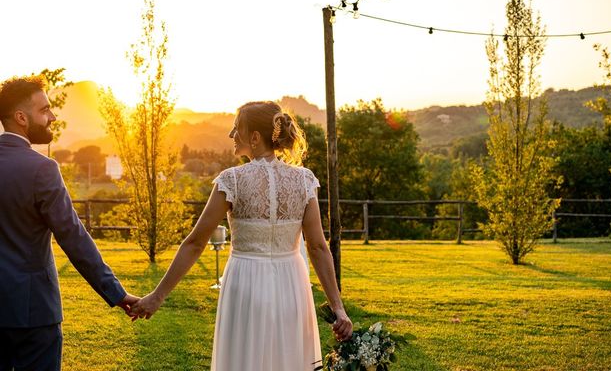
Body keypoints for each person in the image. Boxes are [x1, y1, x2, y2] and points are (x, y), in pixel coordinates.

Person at [131, 101, 352, 370]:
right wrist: (338, 308)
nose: (231, 135)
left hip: (245, 283)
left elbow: (195, 242)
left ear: (255, 138)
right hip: (292, 286)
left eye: (236, 129)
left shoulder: (232, 180)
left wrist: (157, 296)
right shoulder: (304, 180)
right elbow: (317, 247)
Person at [0, 75, 139, 371]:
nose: (52, 116)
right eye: (45, 110)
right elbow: (73, 238)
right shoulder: (43, 169)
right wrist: (115, 292)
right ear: (21, 118)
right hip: (33, 313)